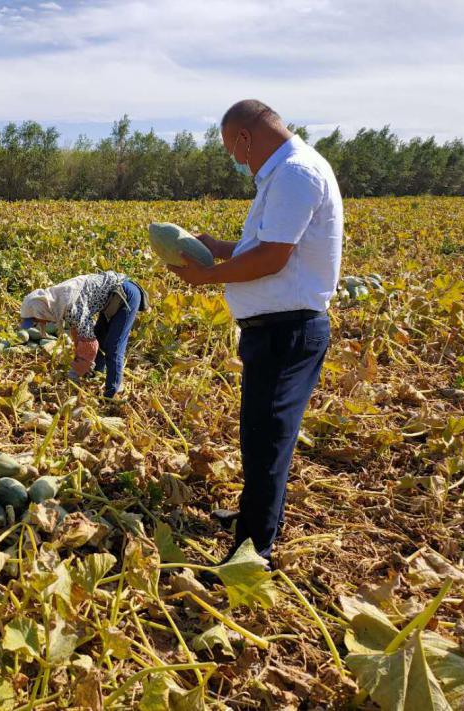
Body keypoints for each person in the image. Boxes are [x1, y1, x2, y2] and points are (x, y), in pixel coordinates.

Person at [167, 99, 343, 567]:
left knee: (267, 442)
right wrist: (216, 248)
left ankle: (252, 551)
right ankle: (253, 517)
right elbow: (265, 246)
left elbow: (272, 259)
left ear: (245, 137)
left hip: (288, 333)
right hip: (276, 331)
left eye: (233, 149)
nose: (236, 159)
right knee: (260, 435)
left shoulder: (295, 174)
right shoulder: (287, 174)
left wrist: (206, 277)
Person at [20, 272, 149, 399]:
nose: (37, 323)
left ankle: (111, 393)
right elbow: (78, 332)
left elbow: (90, 345)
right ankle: (96, 374)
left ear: (41, 311)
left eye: (35, 319)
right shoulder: (56, 300)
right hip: (112, 298)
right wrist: (79, 355)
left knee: (113, 346)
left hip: (126, 295)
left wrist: (76, 371)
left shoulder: (71, 306)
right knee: (100, 336)